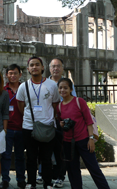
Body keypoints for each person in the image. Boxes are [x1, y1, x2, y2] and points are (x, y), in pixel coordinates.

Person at [57, 78, 110, 189]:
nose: (63, 90)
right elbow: (59, 121)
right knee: (72, 170)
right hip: (68, 142)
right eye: (60, 88)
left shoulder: (79, 101)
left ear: (71, 89)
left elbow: (88, 121)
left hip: (83, 140)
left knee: (94, 168)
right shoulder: (59, 106)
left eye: (65, 88)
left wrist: (91, 139)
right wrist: (62, 124)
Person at [17, 56, 60, 189]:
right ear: (28, 69)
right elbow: (20, 106)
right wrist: (31, 117)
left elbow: (55, 105)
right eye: (31, 65)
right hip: (29, 127)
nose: (34, 67)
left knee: (46, 158)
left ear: (42, 67)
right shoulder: (23, 86)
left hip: (48, 127)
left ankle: (47, 183)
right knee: (31, 157)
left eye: (37, 64)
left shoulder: (52, 85)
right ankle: (31, 182)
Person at [47, 58, 77, 188]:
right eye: (53, 66)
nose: (56, 68)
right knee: (45, 150)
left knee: (62, 151)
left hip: (62, 123)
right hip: (47, 122)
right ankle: (43, 173)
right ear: (49, 69)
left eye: (58, 66)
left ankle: (60, 176)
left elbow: (73, 101)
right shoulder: (45, 83)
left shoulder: (67, 83)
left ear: (63, 68)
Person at [0, 64, 26, 189]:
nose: (13, 76)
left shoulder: (25, 88)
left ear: (20, 74)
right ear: (6, 75)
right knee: (5, 155)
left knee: (20, 156)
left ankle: (21, 179)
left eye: (15, 73)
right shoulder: (3, 90)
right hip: (7, 129)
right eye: (10, 73)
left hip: (22, 128)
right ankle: (5, 179)